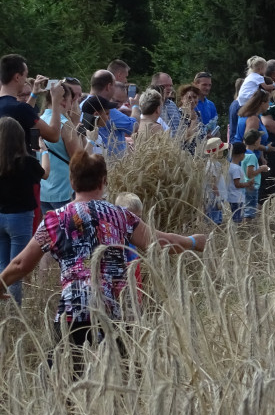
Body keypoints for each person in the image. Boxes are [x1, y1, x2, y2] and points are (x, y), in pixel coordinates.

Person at [0, 153, 207, 374]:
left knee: (64, 380)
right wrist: (193, 241)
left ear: (72, 181)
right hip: (112, 311)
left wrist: (2, 282)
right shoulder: (121, 216)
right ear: (104, 181)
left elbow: (22, 263)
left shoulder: (55, 219)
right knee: (120, 378)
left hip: (74, 309)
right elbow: (160, 242)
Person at [0, 117, 47, 305]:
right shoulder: (27, 162)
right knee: (17, 267)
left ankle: (3, 307)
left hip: (0, 216)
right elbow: (45, 173)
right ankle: (15, 311)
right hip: (20, 219)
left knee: (3, 265)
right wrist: (43, 152)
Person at [39, 81, 85, 213]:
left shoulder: (39, 121)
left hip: (44, 190)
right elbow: (79, 159)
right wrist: (75, 123)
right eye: (71, 101)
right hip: (64, 190)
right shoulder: (65, 124)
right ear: (64, 101)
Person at [0, 54, 63, 149]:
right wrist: (55, 101)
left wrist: (34, 94)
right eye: (25, 75)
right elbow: (53, 136)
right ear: (17, 77)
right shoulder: (20, 108)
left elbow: (24, 116)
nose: (26, 79)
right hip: (20, 162)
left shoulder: (11, 107)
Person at [241, 129, 269, 218]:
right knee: (250, 211)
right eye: (259, 140)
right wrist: (262, 169)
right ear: (256, 142)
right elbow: (250, 174)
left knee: (246, 208)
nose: (260, 142)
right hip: (251, 186)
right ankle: (249, 228)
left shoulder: (244, 153)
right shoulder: (252, 156)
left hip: (245, 184)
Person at [227, 143, 250, 222]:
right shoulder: (236, 168)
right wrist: (248, 184)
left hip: (232, 196)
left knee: (236, 217)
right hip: (237, 198)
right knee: (237, 219)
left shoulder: (230, 166)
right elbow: (237, 184)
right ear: (241, 155)